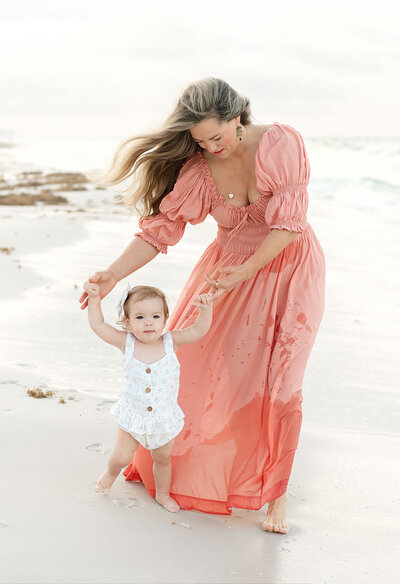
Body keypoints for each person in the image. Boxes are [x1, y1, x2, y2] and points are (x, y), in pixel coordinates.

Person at [80, 77, 325, 534]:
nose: (211, 147)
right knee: (195, 361)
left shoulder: (281, 144)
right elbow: (161, 230)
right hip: (225, 272)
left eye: (217, 136)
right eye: (200, 140)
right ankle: (192, 465)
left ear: (238, 118)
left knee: (279, 377)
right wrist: (114, 273)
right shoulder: (199, 169)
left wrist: (248, 270)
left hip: (286, 268)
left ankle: (276, 496)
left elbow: (290, 224)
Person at [83, 281, 213, 513]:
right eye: (140, 318)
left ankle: (163, 494)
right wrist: (94, 299)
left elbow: (198, 330)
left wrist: (205, 310)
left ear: (165, 319)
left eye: (155, 316)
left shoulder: (170, 342)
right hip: (133, 417)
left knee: (163, 458)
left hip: (163, 418)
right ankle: (109, 475)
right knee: (121, 457)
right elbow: (98, 324)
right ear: (128, 322)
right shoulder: (127, 343)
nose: (149, 322)